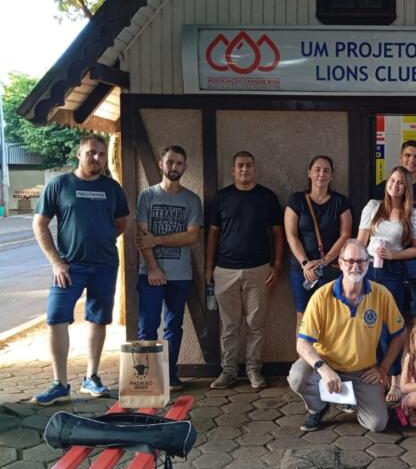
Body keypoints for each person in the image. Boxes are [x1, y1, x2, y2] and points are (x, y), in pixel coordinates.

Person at [31, 135, 129, 405]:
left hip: (105, 265)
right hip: (69, 267)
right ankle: (59, 384)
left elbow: (121, 223)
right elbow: (40, 224)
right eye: (90, 153)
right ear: (79, 153)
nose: (95, 158)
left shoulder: (112, 188)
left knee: (98, 320)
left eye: (100, 154)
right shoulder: (60, 184)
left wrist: (103, 239)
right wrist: (56, 261)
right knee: (56, 318)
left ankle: (92, 377)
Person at [289, 239, 406, 432]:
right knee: (297, 376)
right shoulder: (321, 296)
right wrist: (323, 370)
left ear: (368, 264)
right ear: (340, 263)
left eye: (361, 261)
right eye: (350, 261)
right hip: (327, 366)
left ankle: (350, 401)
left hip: (362, 372)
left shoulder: (381, 294)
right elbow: (302, 343)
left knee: (377, 424)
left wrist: (383, 368)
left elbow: (400, 335)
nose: (355, 266)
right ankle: (318, 407)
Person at [205, 151, 284, 390]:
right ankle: (228, 370)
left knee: (255, 324)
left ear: (255, 169)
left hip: (259, 269)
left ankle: (253, 369)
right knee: (228, 325)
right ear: (233, 170)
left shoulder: (267, 197)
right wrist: (209, 268)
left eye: (249, 165)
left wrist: (277, 264)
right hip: (225, 270)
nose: (244, 170)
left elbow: (278, 233)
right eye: (239, 166)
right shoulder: (221, 198)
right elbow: (212, 234)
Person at [135, 145, 203, 392]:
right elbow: (142, 237)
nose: (174, 167)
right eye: (170, 162)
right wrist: (153, 268)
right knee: (147, 327)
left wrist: (158, 239)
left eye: (179, 163)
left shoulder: (192, 200)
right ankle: (147, 380)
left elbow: (192, 237)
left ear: (185, 167)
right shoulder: (147, 196)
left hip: (180, 275)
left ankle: (170, 375)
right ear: (161, 164)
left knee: (173, 326)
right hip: (149, 274)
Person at [358, 166, 416, 402]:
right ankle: (373, 376)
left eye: (400, 183)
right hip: (368, 271)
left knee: (392, 327)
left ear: (406, 188)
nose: (395, 185)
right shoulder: (373, 207)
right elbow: (360, 241)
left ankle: (396, 380)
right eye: (392, 181)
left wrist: (394, 255)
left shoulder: (413, 215)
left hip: (394, 273)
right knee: (367, 325)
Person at [373, 140, 416, 324]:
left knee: (412, 314)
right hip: (387, 263)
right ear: (401, 157)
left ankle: (410, 353)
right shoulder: (382, 188)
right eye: (408, 155)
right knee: (386, 314)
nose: (412, 160)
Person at [285, 155, 352, 333]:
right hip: (301, 270)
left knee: (331, 315)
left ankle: (327, 359)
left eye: (326, 170)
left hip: (330, 267)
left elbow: (345, 235)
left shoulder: (340, 201)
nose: (321, 174)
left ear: (331, 176)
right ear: (309, 173)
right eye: (317, 169)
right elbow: (291, 235)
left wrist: (325, 260)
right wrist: (305, 263)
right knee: (303, 315)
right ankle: (303, 359)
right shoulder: (296, 200)